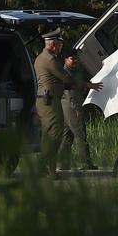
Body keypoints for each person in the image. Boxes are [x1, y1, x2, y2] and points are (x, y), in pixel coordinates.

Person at [34, 29, 73, 174]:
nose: (61, 47)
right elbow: (66, 78)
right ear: (53, 44)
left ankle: (42, 168)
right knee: (55, 134)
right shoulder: (50, 59)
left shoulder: (40, 57)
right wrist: (85, 83)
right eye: (60, 44)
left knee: (47, 135)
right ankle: (49, 169)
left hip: (44, 101)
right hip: (50, 102)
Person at [57, 49, 102, 170]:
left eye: (76, 58)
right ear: (65, 60)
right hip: (72, 104)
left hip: (68, 104)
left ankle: (62, 163)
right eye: (72, 58)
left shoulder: (74, 70)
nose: (75, 61)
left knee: (67, 135)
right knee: (80, 133)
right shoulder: (65, 72)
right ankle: (85, 163)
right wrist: (77, 109)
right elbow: (72, 87)